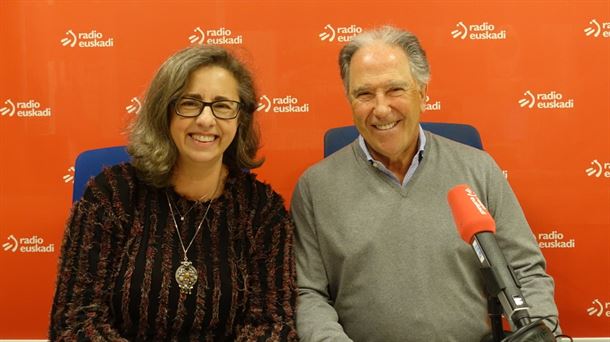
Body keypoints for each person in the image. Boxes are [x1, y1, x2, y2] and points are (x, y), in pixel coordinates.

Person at [291, 26, 560, 341]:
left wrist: (539, 335)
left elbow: (525, 272)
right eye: (364, 93)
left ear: (423, 91)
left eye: (395, 89)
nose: (380, 108)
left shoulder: (478, 169)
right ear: (349, 99)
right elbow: (307, 293)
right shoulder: (315, 188)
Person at [50, 45, 297, 341]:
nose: (206, 120)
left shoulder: (263, 211)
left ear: (240, 118)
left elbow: (273, 328)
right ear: (164, 111)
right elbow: (74, 323)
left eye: (222, 105)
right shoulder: (110, 195)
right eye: (190, 103)